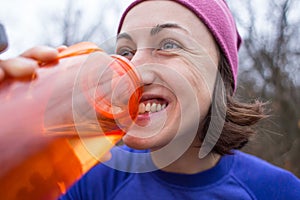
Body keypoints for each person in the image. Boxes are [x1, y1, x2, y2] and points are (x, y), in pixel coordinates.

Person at [1, 0, 300, 199]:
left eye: (169, 45)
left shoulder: (277, 191)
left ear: (221, 78)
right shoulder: (85, 181)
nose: (136, 69)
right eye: (125, 52)